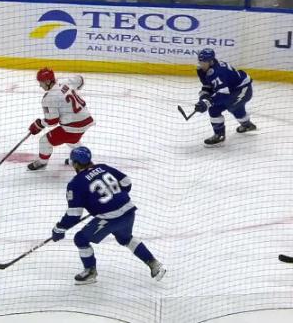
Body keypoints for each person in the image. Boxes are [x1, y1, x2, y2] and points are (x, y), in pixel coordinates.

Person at [51, 146, 166, 285]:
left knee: (80, 239)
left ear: (75, 163)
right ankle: (154, 264)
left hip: (110, 218)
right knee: (125, 238)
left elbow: (74, 214)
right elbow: (126, 182)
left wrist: (60, 228)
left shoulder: (76, 184)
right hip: (128, 211)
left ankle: (90, 272)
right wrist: (114, 197)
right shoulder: (103, 167)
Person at [27, 68, 94, 170]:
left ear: (48, 82)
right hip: (86, 120)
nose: (40, 85)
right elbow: (80, 79)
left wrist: (38, 124)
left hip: (73, 127)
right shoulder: (65, 82)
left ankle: (42, 162)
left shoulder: (48, 98)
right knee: (71, 140)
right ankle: (80, 160)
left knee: (44, 141)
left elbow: (52, 121)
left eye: (41, 83)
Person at [194, 48, 257, 146]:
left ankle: (220, 135)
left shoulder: (217, 72)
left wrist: (207, 102)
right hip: (233, 90)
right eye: (200, 62)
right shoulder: (205, 70)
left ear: (210, 62)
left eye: (203, 62)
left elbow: (223, 94)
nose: (201, 64)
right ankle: (247, 125)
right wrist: (204, 98)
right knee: (229, 108)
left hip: (243, 90)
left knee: (226, 107)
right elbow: (208, 86)